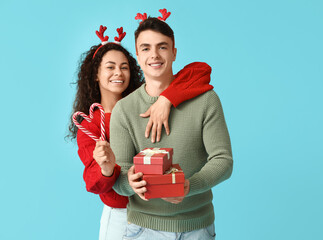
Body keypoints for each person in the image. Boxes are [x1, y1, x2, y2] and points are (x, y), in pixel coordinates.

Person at [67, 25, 214, 240]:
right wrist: (107, 169)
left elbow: (200, 71)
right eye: (110, 67)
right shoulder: (91, 125)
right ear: (95, 75)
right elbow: (95, 182)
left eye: (124, 67)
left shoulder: (143, 104)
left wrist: (166, 99)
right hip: (122, 215)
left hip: (157, 213)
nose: (118, 72)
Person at [110, 10, 233, 240]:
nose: (154, 55)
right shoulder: (124, 110)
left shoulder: (206, 100)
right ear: (137, 55)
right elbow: (119, 177)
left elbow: (223, 160)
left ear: (174, 52)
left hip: (198, 227)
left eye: (162, 47)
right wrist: (130, 182)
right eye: (146, 48)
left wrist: (189, 185)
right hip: (143, 229)